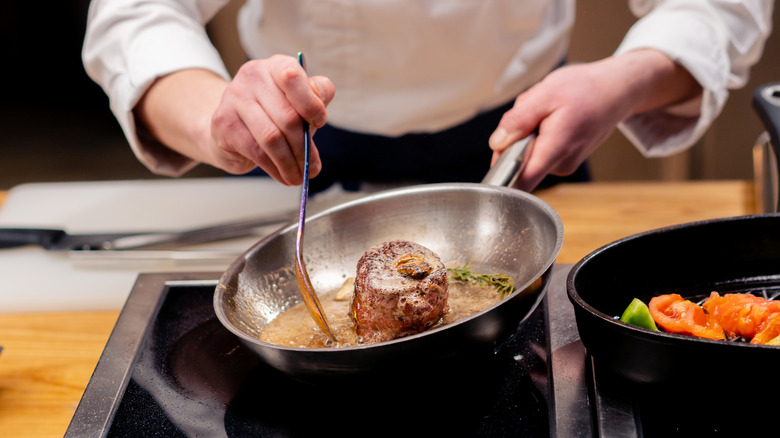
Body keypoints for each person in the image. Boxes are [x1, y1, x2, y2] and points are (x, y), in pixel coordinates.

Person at [82, 1, 773, 193]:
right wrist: (217, 121)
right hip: (307, 167)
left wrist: (622, 80)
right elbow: (135, 15)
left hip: (528, 147)